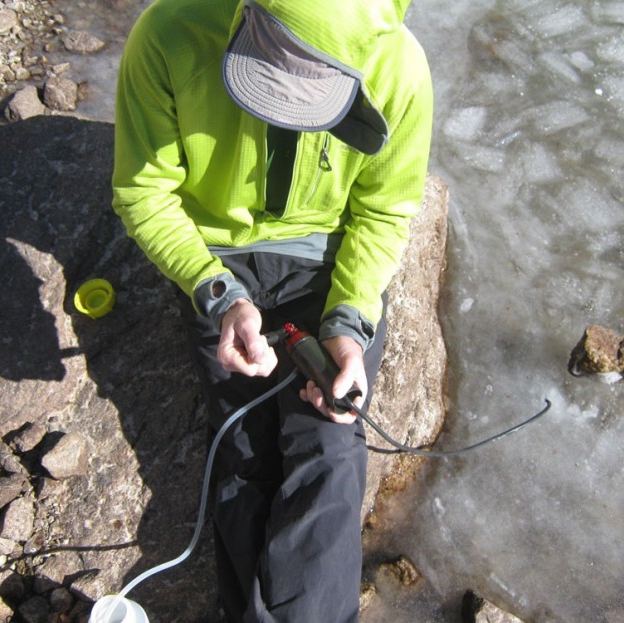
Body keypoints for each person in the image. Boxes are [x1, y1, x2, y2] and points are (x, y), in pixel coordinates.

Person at [112, 0, 432, 620]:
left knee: (332, 443)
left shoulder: (400, 67)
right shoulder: (168, 33)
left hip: (328, 265)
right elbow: (142, 192)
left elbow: (384, 212)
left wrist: (347, 324)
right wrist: (216, 294)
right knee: (246, 448)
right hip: (217, 258)